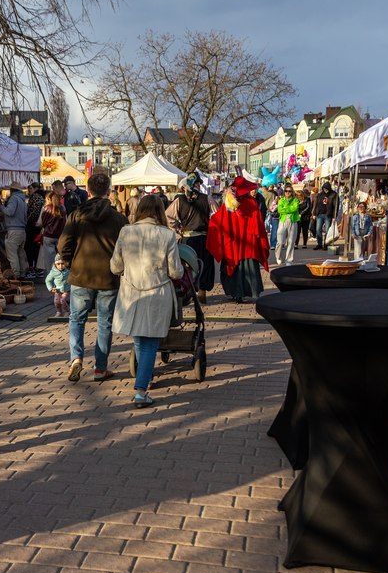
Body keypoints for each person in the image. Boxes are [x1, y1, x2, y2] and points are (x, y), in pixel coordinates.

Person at [110, 195, 183, 408]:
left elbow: (115, 266)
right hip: (157, 292)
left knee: (139, 338)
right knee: (150, 341)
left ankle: (146, 376)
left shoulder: (126, 231)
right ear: (160, 211)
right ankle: (141, 390)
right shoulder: (167, 235)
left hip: (131, 292)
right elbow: (176, 271)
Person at [57, 172, 127, 382]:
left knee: (77, 319)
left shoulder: (76, 215)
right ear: (109, 191)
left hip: (81, 274)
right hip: (108, 277)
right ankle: (100, 368)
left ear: (88, 190)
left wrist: (70, 263)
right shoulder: (118, 218)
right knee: (105, 323)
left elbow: (63, 245)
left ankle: (76, 358)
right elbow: (126, 248)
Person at [207, 176, 270, 303]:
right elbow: (259, 224)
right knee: (248, 267)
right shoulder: (251, 203)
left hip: (233, 245)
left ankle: (236, 294)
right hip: (249, 246)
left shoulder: (228, 205)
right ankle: (249, 291)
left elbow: (217, 220)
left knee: (234, 269)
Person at [165, 173, 213, 303]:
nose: (199, 185)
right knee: (204, 264)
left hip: (187, 239)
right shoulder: (206, 198)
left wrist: (177, 228)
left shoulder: (179, 200)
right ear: (195, 184)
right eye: (198, 183)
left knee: (188, 266)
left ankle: (191, 290)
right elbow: (217, 213)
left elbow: (168, 216)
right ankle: (201, 291)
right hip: (203, 238)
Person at [2, 181, 28, 275]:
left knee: (12, 255)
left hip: (13, 230)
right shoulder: (23, 200)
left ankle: (16, 275)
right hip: (22, 230)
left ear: (12, 190)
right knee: (20, 254)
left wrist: (0, 206)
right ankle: (23, 274)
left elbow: (9, 212)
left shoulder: (13, 198)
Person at [37, 190, 66, 271]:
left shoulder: (47, 208)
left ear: (49, 199)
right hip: (60, 235)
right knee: (60, 259)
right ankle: (59, 275)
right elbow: (65, 221)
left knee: (49, 261)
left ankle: (51, 276)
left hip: (48, 235)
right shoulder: (63, 207)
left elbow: (42, 223)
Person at [274, 184, 300, 266]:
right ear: (284, 192)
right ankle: (278, 257)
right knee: (280, 241)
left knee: (291, 241)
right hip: (283, 221)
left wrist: (286, 209)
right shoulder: (281, 200)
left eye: (289, 191)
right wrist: (289, 209)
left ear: (292, 192)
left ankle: (289, 260)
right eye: (286, 191)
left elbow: (295, 208)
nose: (288, 192)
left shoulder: (295, 200)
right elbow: (280, 210)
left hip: (293, 221)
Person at [25, 182, 46, 277]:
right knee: (37, 247)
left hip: (32, 226)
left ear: (34, 188)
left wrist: (27, 219)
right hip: (39, 226)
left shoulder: (35, 197)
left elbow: (33, 213)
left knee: (30, 247)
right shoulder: (43, 197)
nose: (29, 191)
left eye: (30, 189)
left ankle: (32, 268)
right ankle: (39, 268)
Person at [312, 181, 336, 250]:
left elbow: (335, 206)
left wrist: (334, 216)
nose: (326, 190)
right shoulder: (320, 195)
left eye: (327, 189)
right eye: (324, 189)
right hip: (320, 214)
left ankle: (326, 244)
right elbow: (316, 204)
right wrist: (314, 213)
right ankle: (319, 244)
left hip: (328, 214)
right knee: (318, 230)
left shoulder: (333, 194)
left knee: (327, 230)